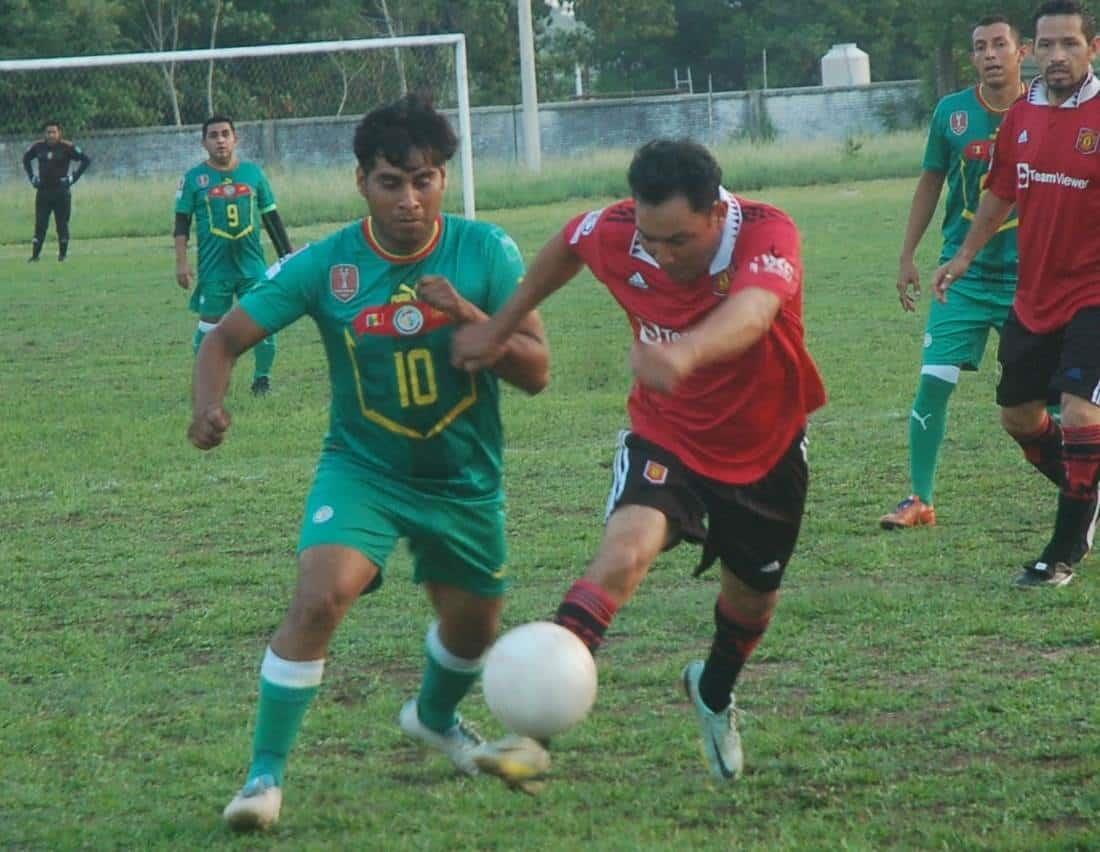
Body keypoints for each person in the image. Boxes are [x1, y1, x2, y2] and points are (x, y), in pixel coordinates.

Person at [189, 94, 549, 830]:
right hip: (364, 471)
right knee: (321, 597)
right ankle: (262, 781)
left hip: (464, 480)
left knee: (474, 630)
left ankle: (436, 718)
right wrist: (207, 406)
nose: (410, 199)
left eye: (425, 180)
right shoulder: (326, 265)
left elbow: (537, 371)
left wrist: (472, 318)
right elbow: (223, 338)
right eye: (391, 182)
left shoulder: (487, 252)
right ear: (362, 182)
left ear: (444, 179)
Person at [453, 139, 826, 785]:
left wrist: (685, 352)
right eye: (650, 239)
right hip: (668, 434)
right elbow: (569, 245)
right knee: (624, 553)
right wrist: (498, 324)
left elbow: (755, 310)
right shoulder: (619, 231)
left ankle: (712, 692)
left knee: (751, 602)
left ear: (715, 212)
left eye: (677, 240)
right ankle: (532, 734)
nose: (659, 254)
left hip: (764, 447)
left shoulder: (766, 232)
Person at [933, 0, 1100, 587]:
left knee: (1080, 412)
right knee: (1019, 417)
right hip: (1035, 293)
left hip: (1094, 294)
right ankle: (1087, 488)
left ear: (1092, 48)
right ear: (1034, 48)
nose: (1057, 56)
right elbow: (1000, 193)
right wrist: (962, 255)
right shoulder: (1023, 113)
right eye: (1048, 45)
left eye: (1069, 44)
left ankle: (1064, 549)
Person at [881, 16, 1028, 530]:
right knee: (933, 382)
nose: (990, 54)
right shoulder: (952, 113)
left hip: (1029, 280)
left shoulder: (1044, 113)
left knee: (1052, 400)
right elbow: (929, 184)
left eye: (999, 45)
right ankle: (919, 499)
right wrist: (907, 256)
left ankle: (1079, 494)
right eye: (980, 47)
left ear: (1021, 52)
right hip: (959, 276)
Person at [175, 116, 293, 396]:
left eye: (225, 134)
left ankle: (262, 380)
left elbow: (271, 217)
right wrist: (181, 262)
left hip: (252, 266)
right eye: (213, 135)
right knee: (208, 327)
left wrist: (287, 257)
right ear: (204, 142)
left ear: (235, 139)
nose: (220, 140)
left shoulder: (254, 174)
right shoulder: (193, 179)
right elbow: (181, 223)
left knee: (263, 323)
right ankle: (210, 381)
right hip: (214, 269)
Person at [22, 120, 91, 262]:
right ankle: (35, 256)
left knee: (62, 224)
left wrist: (72, 178)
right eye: (48, 132)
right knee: (40, 224)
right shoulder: (38, 147)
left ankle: (62, 256)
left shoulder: (67, 147)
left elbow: (86, 160)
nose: (51, 135)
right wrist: (32, 177)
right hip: (43, 192)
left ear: (59, 133)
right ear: (44, 134)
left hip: (61, 192)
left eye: (54, 132)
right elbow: (26, 159)